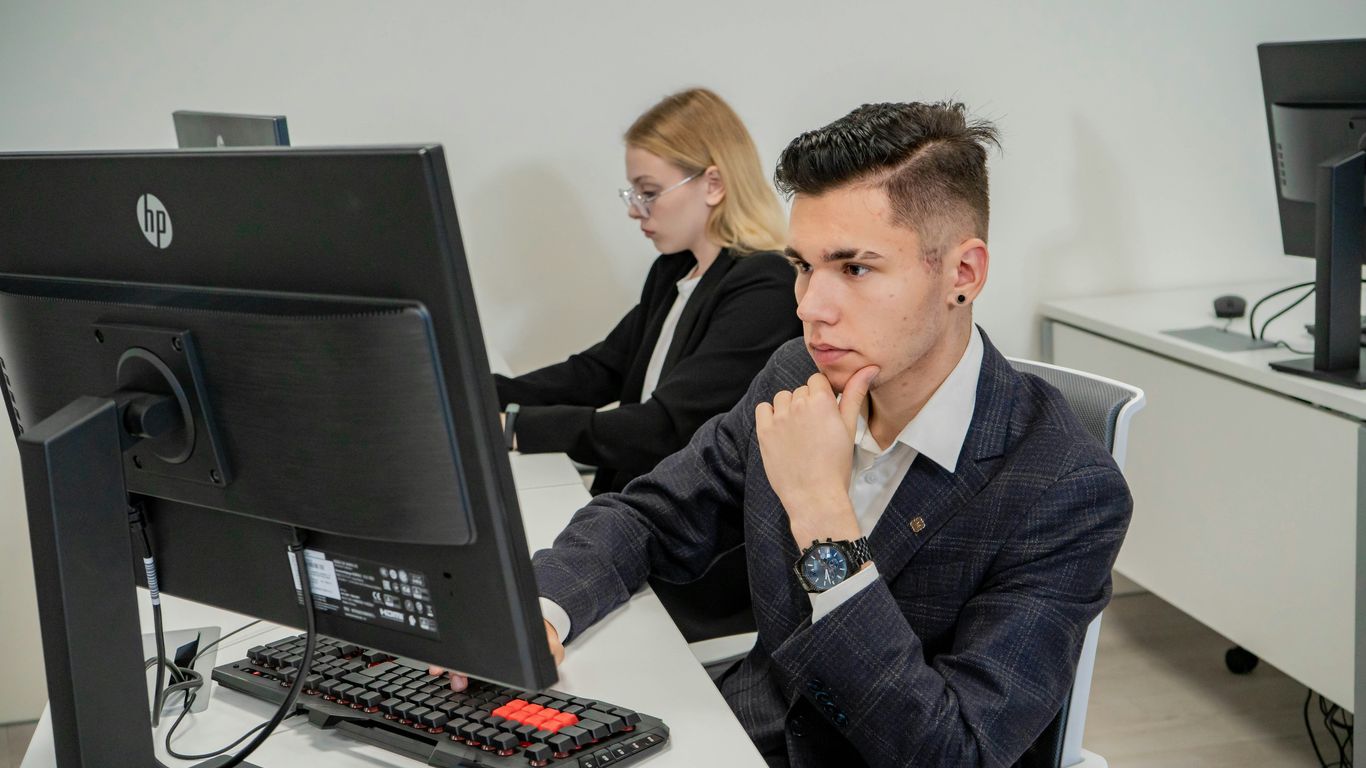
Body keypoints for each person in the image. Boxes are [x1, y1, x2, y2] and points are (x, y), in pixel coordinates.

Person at [461, 100, 1132, 767]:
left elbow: (952, 752)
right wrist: (537, 613)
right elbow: (652, 515)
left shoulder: (1067, 489)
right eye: (804, 266)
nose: (810, 306)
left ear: (963, 273)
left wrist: (820, 515)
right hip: (737, 734)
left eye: (855, 268)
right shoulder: (797, 374)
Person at [495, 87, 801, 497]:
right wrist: (477, 394)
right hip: (633, 501)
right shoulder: (674, 271)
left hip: (685, 528)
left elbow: (666, 427)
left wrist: (518, 427)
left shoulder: (765, 286)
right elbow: (600, 371)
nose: (635, 209)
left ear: (713, 184)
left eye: (649, 192)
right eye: (634, 193)